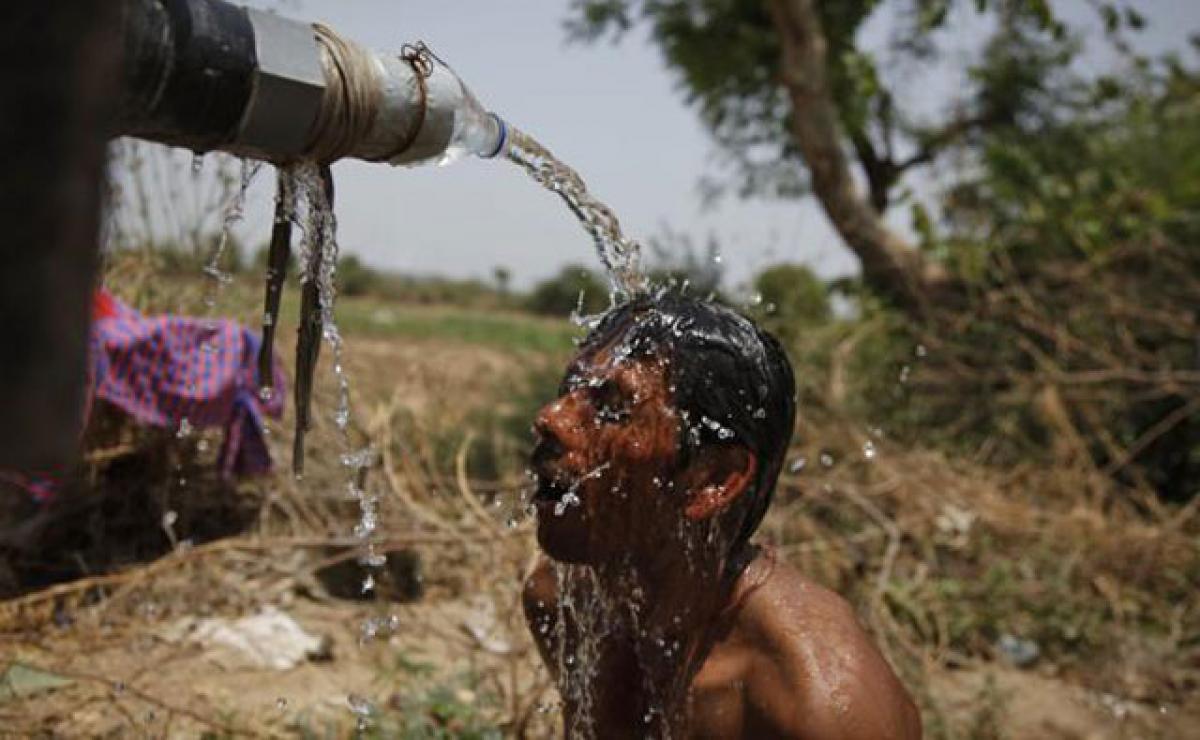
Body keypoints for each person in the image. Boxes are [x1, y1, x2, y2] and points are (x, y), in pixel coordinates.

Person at [523, 292, 921, 739]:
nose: (551, 418)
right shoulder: (562, 601)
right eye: (569, 390)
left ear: (713, 480)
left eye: (613, 407)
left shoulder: (824, 706)